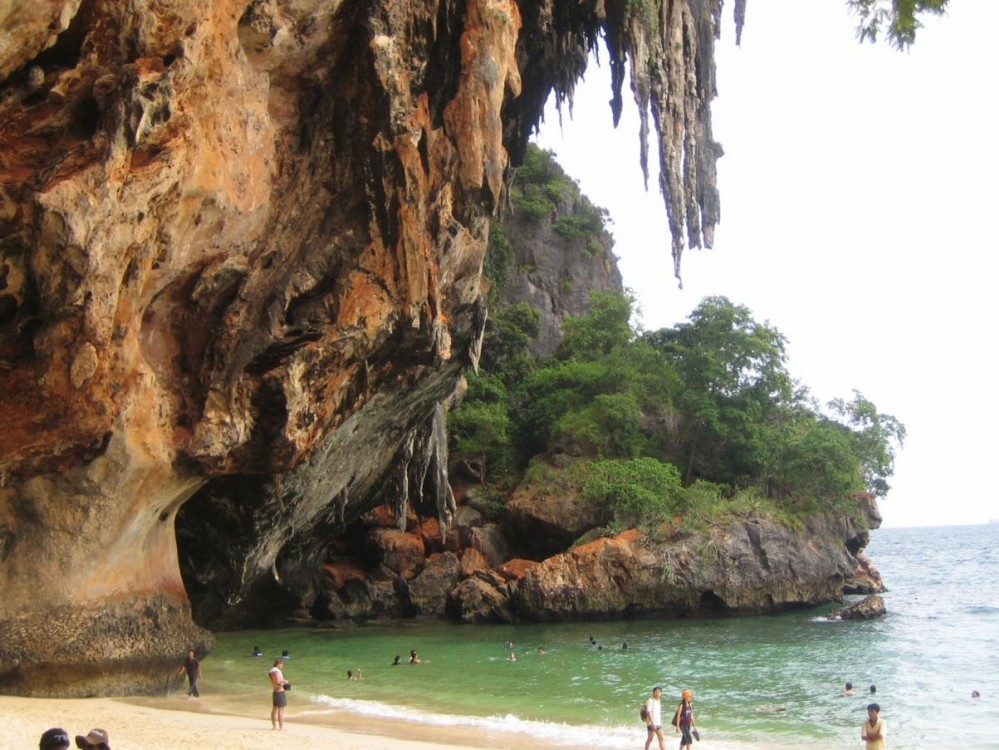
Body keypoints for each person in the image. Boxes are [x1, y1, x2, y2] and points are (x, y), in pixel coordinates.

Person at [269, 658, 290, 730]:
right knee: (281, 709)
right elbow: (278, 682)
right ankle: (281, 727)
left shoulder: (272, 670)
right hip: (279, 692)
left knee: (275, 708)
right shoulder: (276, 671)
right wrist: (285, 681)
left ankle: (274, 726)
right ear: (278, 664)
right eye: (282, 665)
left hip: (275, 691)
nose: (282, 666)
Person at [643, 686, 666, 750]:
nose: (657, 693)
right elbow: (648, 712)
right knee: (661, 738)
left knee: (650, 739)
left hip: (657, 723)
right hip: (652, 723)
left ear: (661, 693)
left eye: (658, 692)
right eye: (655, 692)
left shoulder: (658, 701)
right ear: (653, 693)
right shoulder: (650, 700)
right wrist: (652, 723)